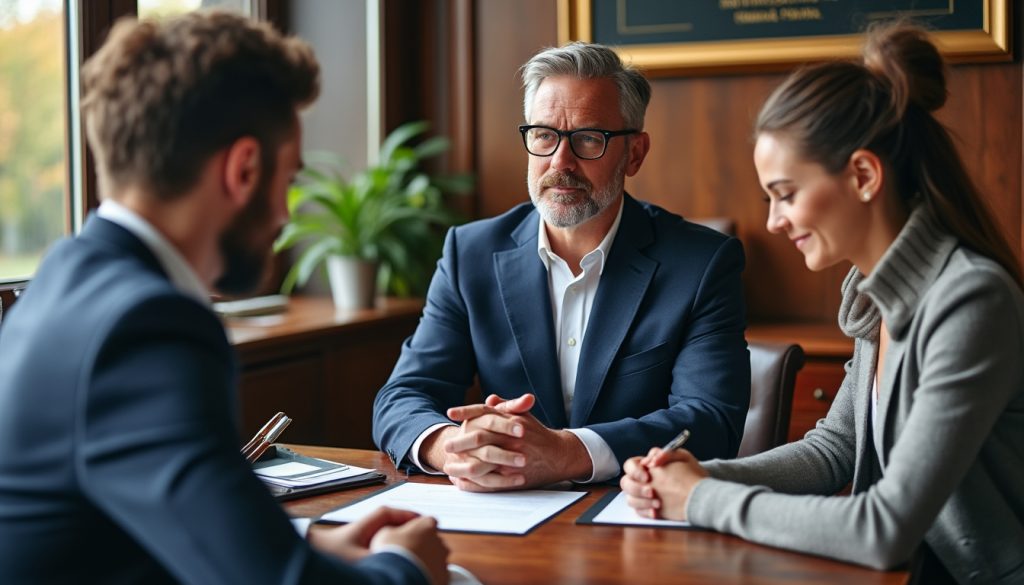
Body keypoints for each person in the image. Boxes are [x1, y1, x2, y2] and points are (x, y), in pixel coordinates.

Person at [0, 11, 449, 585]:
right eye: (289, 182)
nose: (285, 217)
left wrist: (315, 546)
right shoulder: (146, 324)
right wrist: (406, 567)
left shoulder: (66, 278)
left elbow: (162, 530)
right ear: (244, 169)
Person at [621, 23, 1024, 584]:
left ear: (863, 175)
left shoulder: (970, 301)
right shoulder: (878, 294)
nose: (773, 221)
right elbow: (833, 451)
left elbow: (884, 528)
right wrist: (700, 476)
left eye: (786, 194)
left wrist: (699, 499)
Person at [372, 42, 750, 492]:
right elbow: (403, 395)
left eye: (588, 138)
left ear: (634, 153)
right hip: (504, 511)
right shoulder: (469, 253)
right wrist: (452, 446)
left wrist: (567, 452)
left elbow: (711, 421)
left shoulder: (702, 264)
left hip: (631, 509)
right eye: (544, 135)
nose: (560, 162)